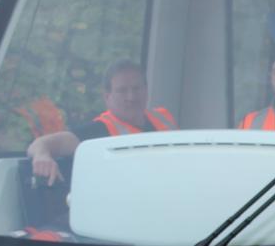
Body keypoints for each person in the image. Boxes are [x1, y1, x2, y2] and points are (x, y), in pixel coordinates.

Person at [26, 59, 175, 185]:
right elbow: (39, 144)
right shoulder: (98, 131)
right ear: (107, 97)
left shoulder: (163, 117)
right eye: (122, 90)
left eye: (136, 88)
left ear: (146, 90)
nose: (131, 96)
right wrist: (42, 156)